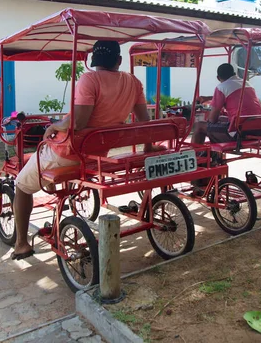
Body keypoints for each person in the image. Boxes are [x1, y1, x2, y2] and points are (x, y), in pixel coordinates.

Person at [11, 40, 160, 260]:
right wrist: (149, 147)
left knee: (22, 186)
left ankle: (21, 243)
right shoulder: (133, 82)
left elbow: (78, 122)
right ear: (118, 60)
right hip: (98, 153)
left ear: (94, 61)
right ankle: (58, 191)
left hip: (69, 153)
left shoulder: (89, 79)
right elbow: (144, 121)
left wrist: (55, 125)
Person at [193, 63, 261, 146]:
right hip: (258, 130)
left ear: (218, 78)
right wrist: (209, 98)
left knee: (199, 126)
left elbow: (212, 120)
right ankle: (213, 155)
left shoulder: (221, 87)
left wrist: (210, 117)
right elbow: (232, 95)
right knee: (222, 119)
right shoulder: (247, 84)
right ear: (234, 74)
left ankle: (195, 155)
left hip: (240, 134)